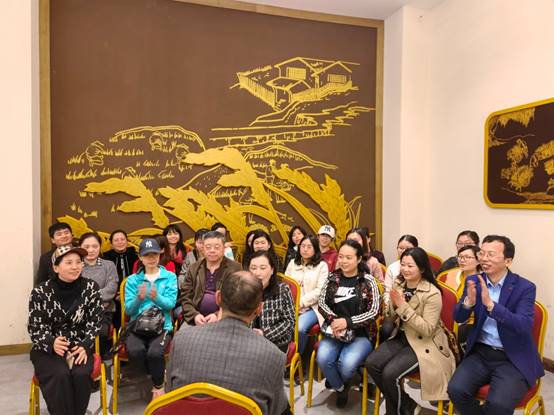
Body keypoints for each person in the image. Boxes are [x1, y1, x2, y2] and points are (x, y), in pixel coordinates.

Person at [166, 271, 291, 415]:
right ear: (259, 308)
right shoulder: (274, 356)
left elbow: (170, 394)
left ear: (218, 298)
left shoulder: (182, 339)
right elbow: (276, 409)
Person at [447, 235, 544, 415]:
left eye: (490, 254)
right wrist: (468, 302)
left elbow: (524, 325)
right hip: (481, 352)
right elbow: (458, 317)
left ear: (508, 261)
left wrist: (492, 306)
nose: (484, 258)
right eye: (482, 253)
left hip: (512, 357)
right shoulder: (474, 281)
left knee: (498, 405)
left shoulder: (524, 287)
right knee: (455, 390)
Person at [365, 247, 455, 415]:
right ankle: (408, 405)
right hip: (401, 336)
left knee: (390, 374)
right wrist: (393, 305)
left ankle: (395, 412)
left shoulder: (432, 292)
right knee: (372, 363)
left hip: (424, 343)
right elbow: (390, 316)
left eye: (410, 266)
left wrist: (402, 306)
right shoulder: (399, 283)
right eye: (403, 264)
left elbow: (427, 329)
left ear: (422, 268)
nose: (405, 269)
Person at [28, 245, 103, 415]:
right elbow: (35, 326)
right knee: (59, 374)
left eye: (78, 262)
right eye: (69, 262)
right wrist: (51, 342)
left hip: (78, 345)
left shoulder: (91, 287)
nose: (75, 266)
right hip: (48, 347)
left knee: (81, 374)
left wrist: (85, 344)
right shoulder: (40, 291)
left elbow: (96, 320)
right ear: (56, 268)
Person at [317, 240, 381, 408]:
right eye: (341, 257)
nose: (343, 261)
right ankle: (340, 387)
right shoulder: (332, 278)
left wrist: (348, 322)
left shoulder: (368, 281)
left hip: (361, 334)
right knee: (323, 358)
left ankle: (341, 378)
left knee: (346, 365)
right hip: (335, 330)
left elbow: (374, 311)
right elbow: (322, 303)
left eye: (349, 257)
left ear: (359, 259)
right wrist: (334, 321)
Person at [124, 238, 178, 400]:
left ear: (160, 254)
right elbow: (129, 310)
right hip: (137, 326)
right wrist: (139, 298)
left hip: (162, 326)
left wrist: (156, 297)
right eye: (147, 255)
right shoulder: (133, 280)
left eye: (154, 254)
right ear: (140, 257)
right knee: (135, 351)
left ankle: (158, 385)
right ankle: (151, 381)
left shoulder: (169, 277)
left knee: (155, 353)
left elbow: (170, 304)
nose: (151, 258)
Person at [180, 230, 242, 325]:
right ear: (203, 249)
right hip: (196, 319)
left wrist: (217, 314)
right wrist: (194, 315)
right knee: (182, 334)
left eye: (217, 247)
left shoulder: (235, 268)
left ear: (224, 248)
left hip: (224, 318)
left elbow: (237, 298)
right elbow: (185, 296)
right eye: (208, 247)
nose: (212, 250)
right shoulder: (193, 268)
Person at [284, 234, 328, 355]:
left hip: (312, 307)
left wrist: (301, 302)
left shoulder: (322, 266)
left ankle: (297, 356)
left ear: (315, 249)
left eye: (309, 247)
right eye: (302, 246)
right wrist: (292, 303)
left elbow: (320, 290)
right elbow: (286, 284)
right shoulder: (293, 263)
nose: (305, 249)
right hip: (291, 305)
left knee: (299, 327)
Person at [79, 232, 118, 359]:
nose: (91, 250)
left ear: (100, 247)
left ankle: (99, 360)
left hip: (103, 310)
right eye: (86, 247)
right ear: (80, 248)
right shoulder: (76, 266)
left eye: (95, 246)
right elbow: (75, 291)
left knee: (101, 332)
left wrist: (89, 298)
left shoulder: (109, 265)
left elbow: (111, 289)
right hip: (80, 311)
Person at [248, 250, 295, 352]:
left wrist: (265, 333)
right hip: (249, 341)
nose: (257, 273)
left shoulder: (282, 290)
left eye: (263, 268)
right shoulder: (245, 290)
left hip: (276, 342)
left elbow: (289, 322)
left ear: (272, 270)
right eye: (253, 268)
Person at [103, 229, 138, 331]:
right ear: (111, 243)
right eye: (116, 240)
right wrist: (116, 295)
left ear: (127, 241)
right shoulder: (106, 259)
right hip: (113, 296)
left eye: (122, 239)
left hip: (133, 293)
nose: (120, 242)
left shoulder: (135, 256)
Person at [35, 222, 73, 286]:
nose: (64, 236)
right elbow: (41, 282)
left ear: (72, 235)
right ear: (53, 240)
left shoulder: (81, 251)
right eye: (59, 234)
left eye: (66, 232)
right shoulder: (46, 258)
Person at [384, 234, 418, 305]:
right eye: (401, 248)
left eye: (408, 248)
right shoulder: (392, 267)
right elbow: (387, 293)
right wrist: (391, 307)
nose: (404, 251)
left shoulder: (420, 267)